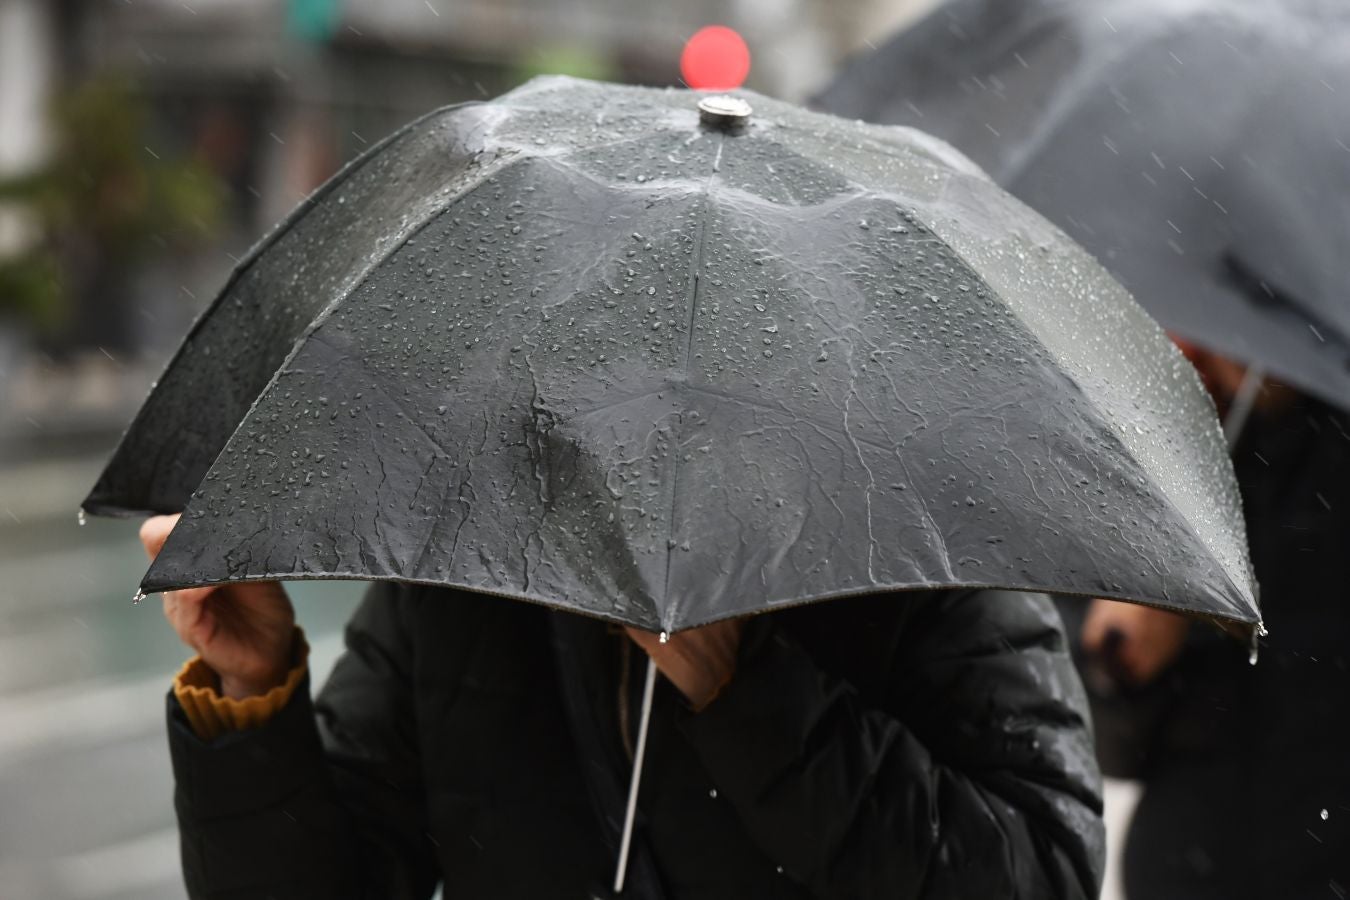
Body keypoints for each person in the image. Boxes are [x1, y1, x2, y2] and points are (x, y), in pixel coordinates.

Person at [141, 512, 1105, 899]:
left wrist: (748, 692)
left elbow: (1039, 869)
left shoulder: (922, 552)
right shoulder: (459, 583)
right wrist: (253, 686)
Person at [1080, 344, 1350, 899]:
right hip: (1185, 871)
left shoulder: (1330, 460)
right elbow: (1106, 753)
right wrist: (1121, 667)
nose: (1194, 354)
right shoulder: (1151, 465)